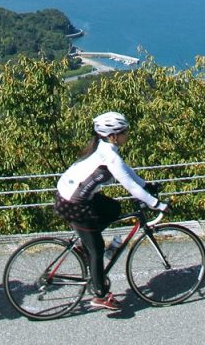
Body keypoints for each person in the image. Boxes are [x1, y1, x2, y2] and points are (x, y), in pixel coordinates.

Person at [54, 111, 168, 311]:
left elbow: (128, 172)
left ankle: (84, 246)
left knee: (113, 208)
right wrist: (157, 204)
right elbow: (130, 187)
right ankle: (100, 295)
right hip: (73, 203)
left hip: (72, 195)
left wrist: (146, 185)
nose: (128, 134)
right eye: (125, 132)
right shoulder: (109, 156)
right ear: (113, 135)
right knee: (97, 249)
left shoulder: (105, 148)